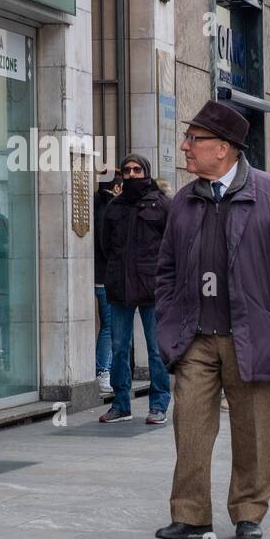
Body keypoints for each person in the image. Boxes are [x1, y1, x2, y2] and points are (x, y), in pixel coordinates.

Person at [153, 100, 270, 539]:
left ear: (222, 148)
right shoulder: (184, 200)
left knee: (254, 434)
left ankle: (249, 511)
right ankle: (190, 515)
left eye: (194, 140)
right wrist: (169, 322)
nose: (185, 147)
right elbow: (165, 270)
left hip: (251, 336)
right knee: (190, 429)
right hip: (195, 339)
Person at [99, 153, 173, 425]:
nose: (131, 175)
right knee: (119, 347)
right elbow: (106, 246)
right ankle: (121, 404)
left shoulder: (163, 204)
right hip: (120, 287)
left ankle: (159, 404)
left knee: (156, 348)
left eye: (137, 170)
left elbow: (173, 245)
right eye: (127, 170)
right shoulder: (115, 206)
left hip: (154, 288)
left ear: (147, 173)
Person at [93, 171, 120, 394]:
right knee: (109, 326)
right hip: (105, 278)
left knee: (108, 325)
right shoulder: (108, 210)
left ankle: (104, 370)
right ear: (117, 188)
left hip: (98, 276)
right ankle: (103, 371)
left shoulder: (95, 206)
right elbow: (107, 245)